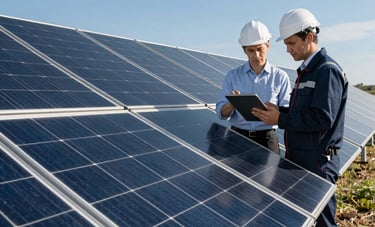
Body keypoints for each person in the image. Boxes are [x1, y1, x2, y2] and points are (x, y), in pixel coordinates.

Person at [252, 8, 348, 227]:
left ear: (310, 37)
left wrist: (280, 120)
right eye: (286, 44)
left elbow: (323, 119)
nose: (287, 50)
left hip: (319, 162)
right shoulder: (307, 71)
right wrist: (279, 112)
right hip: (301, 159)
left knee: (323, 222)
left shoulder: (327, 71)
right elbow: (304, 113)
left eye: (291, 43)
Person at [216, 20, 291, 154]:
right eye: (251, 50)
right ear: (244, 50)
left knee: (270, 175)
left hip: (267, 139)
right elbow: (221, 114)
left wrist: (276, 110)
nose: (256, 55)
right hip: (236, 137)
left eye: (260, 49)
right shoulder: (232, 76)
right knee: (233, 175)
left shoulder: (280, 77)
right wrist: (231, 103)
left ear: (268, 45)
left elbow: (288, 114)